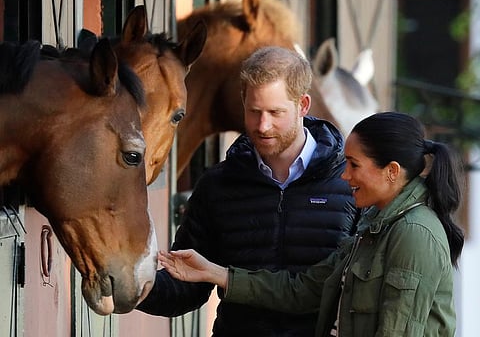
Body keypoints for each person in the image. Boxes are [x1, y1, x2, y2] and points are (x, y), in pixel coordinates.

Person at [159, 111, 465, 337]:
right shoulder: (375, 226)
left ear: (391, 171)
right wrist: (215, 273)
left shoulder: (413, 234)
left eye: (354, 165)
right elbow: (303, 290)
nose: (345, 176)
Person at [136, 46, 360, 336]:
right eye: (254, 111)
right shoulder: (217, 185)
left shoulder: (349, 183)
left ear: (303, 105)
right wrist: (134, 290)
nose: (263, 126)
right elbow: (188, 284)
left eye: (275, 112)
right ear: (243, 103)